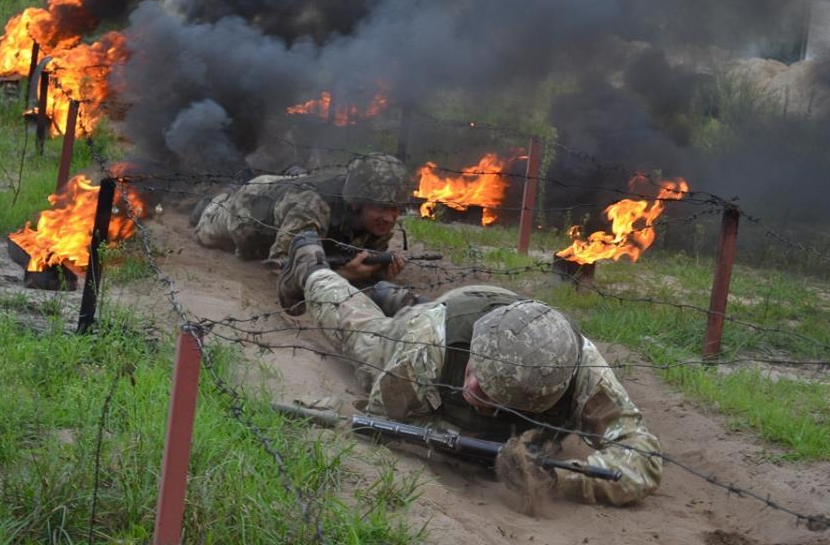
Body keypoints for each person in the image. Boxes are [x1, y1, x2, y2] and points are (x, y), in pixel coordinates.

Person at [281, 230, 663, 506]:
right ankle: (312, 269)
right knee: (361, 333)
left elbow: (641, 459)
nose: (472, 389)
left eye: (491, 395)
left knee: (423, 324)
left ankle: (398, 297)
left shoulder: (580, 369)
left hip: (496, 319)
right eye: (474, 369)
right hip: (439, 325)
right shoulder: (427, 344)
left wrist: (554, 475)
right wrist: (461, 438)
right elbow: (386, 416)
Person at [194, 153, 412, 301]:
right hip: (249, 208)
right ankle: (217, 197)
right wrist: (345, 275)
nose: (389, 218)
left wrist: (378, 271)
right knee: (204, 232)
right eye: (381, 207)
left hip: (290, 198)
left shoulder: (375, 218)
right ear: (357, 203)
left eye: (395, 208)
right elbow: (281, 270)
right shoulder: (311, 208)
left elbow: (357, 253)